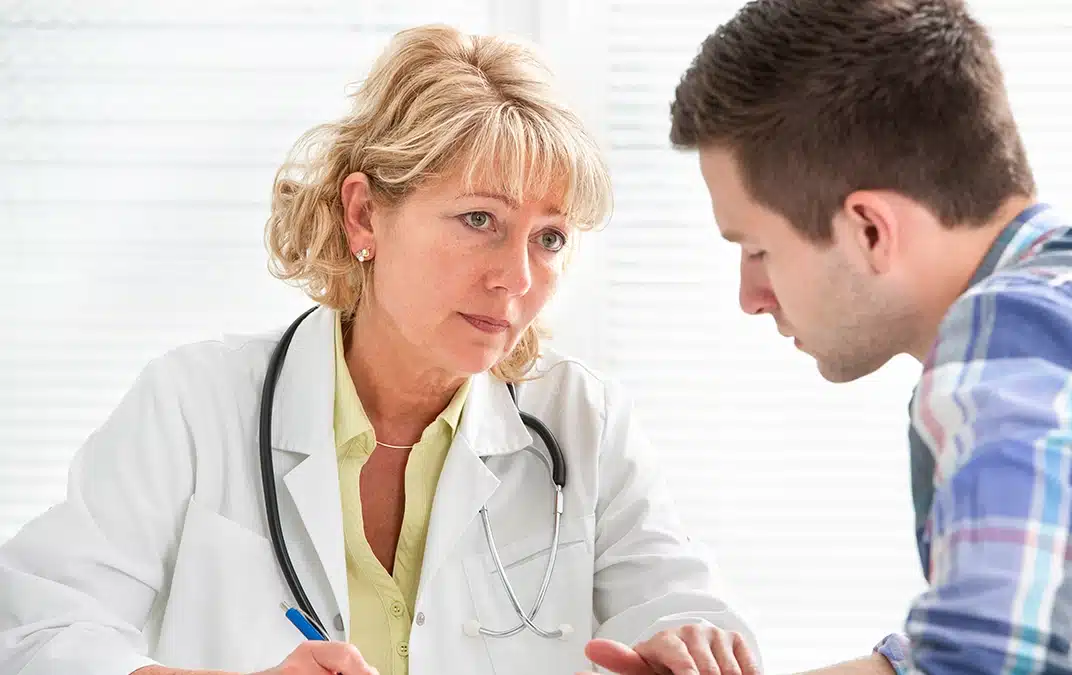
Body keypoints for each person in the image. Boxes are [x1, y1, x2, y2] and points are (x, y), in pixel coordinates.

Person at [0, 24, 762, 675]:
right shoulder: (194, 402)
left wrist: (695, 642)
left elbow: (686, 606)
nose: (516, 278)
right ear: (365, 214)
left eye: (550, 237)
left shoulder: (582, 423)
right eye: (478, 220)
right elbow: (38, 627)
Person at [643, 0, 1072, 673]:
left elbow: (989, 664)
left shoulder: (1015, 338)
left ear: (870, 229)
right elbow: (1039, 631)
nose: (749, 297)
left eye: (757, 249)